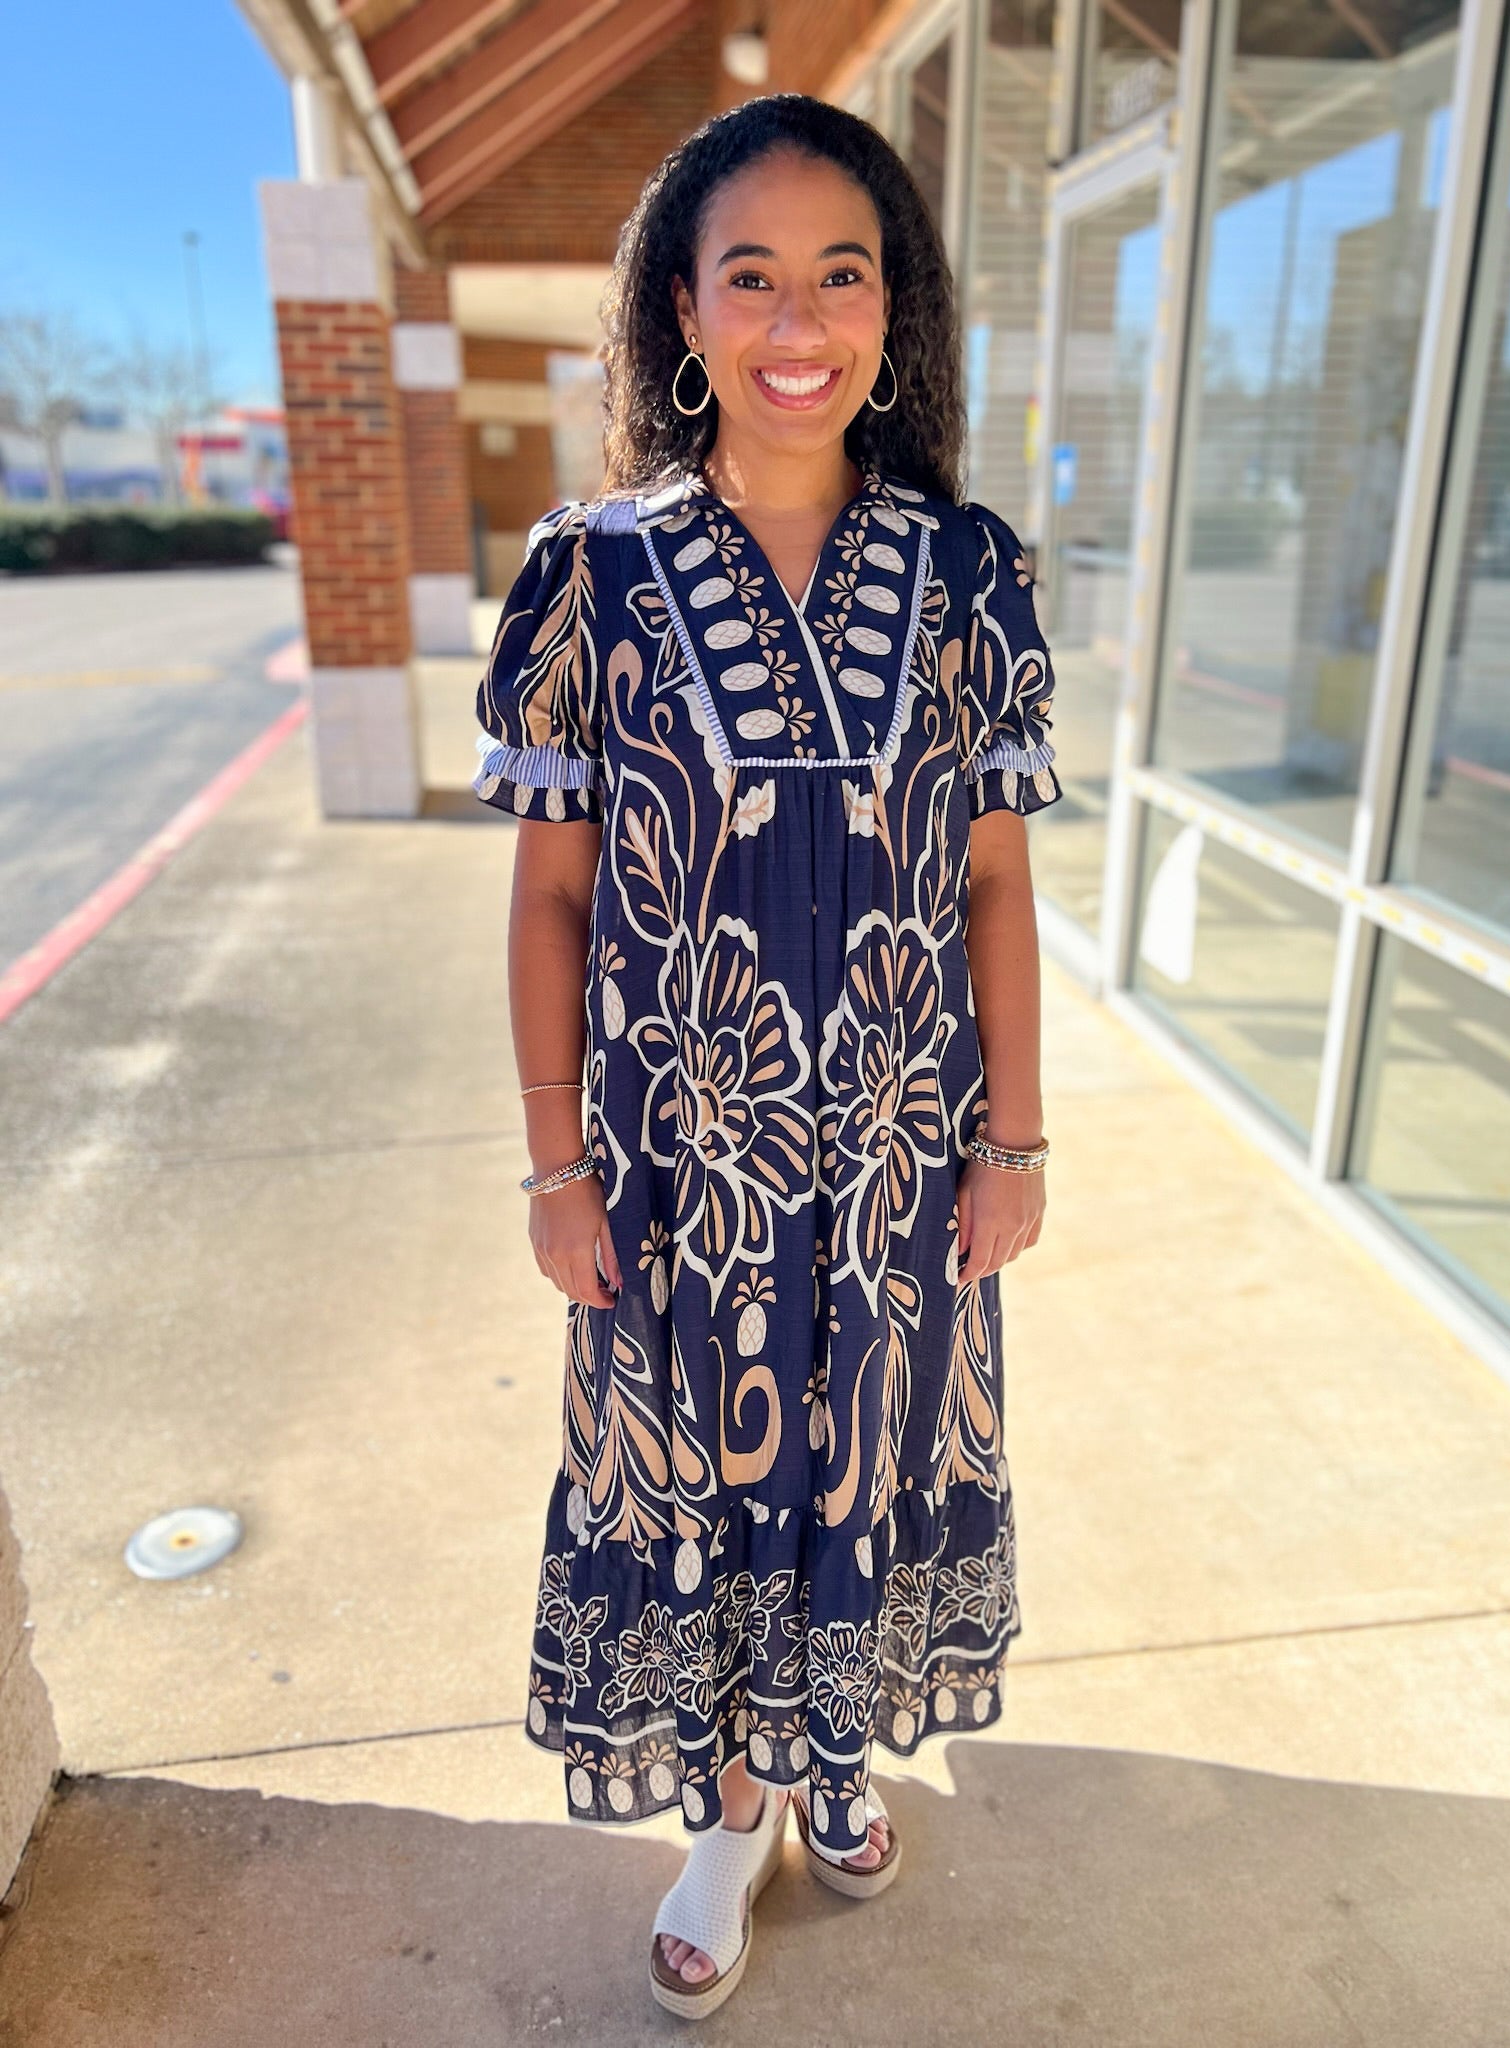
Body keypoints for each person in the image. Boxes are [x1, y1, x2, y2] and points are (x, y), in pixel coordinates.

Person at [471, 92, 1061, 2020]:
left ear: (895, 311)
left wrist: (1019, 1140)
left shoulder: (968, 575)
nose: (798, 318)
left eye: (842, 273)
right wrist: (558, 1172)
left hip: (900, 1166)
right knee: (713, 1491)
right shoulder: (594, 576)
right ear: (682, 310)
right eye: (752, 276)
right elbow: (555, 908)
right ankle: (731, 1813)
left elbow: (991, 890)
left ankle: (833, 1761)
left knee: (874, 1468)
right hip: (677, 1172)